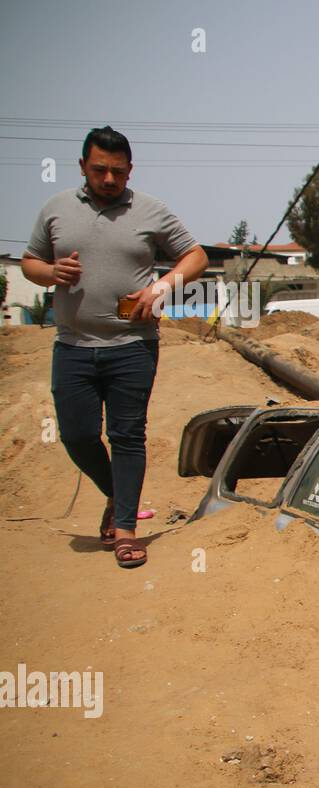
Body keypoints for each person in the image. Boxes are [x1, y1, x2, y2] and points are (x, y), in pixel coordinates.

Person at [22, 126, 208, 568]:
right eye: (100, 170)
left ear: (130, 171)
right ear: (83, 166)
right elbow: (29, 262)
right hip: (73, 346)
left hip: (132, 345)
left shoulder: (150, 211)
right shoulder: (56, 209)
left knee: (127, 436)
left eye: (118, 172)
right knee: (78, 434)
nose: (109, 179)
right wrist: (51, 273)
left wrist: (163, 287)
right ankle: (118, 495)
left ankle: (125, 529)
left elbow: (195, 257)